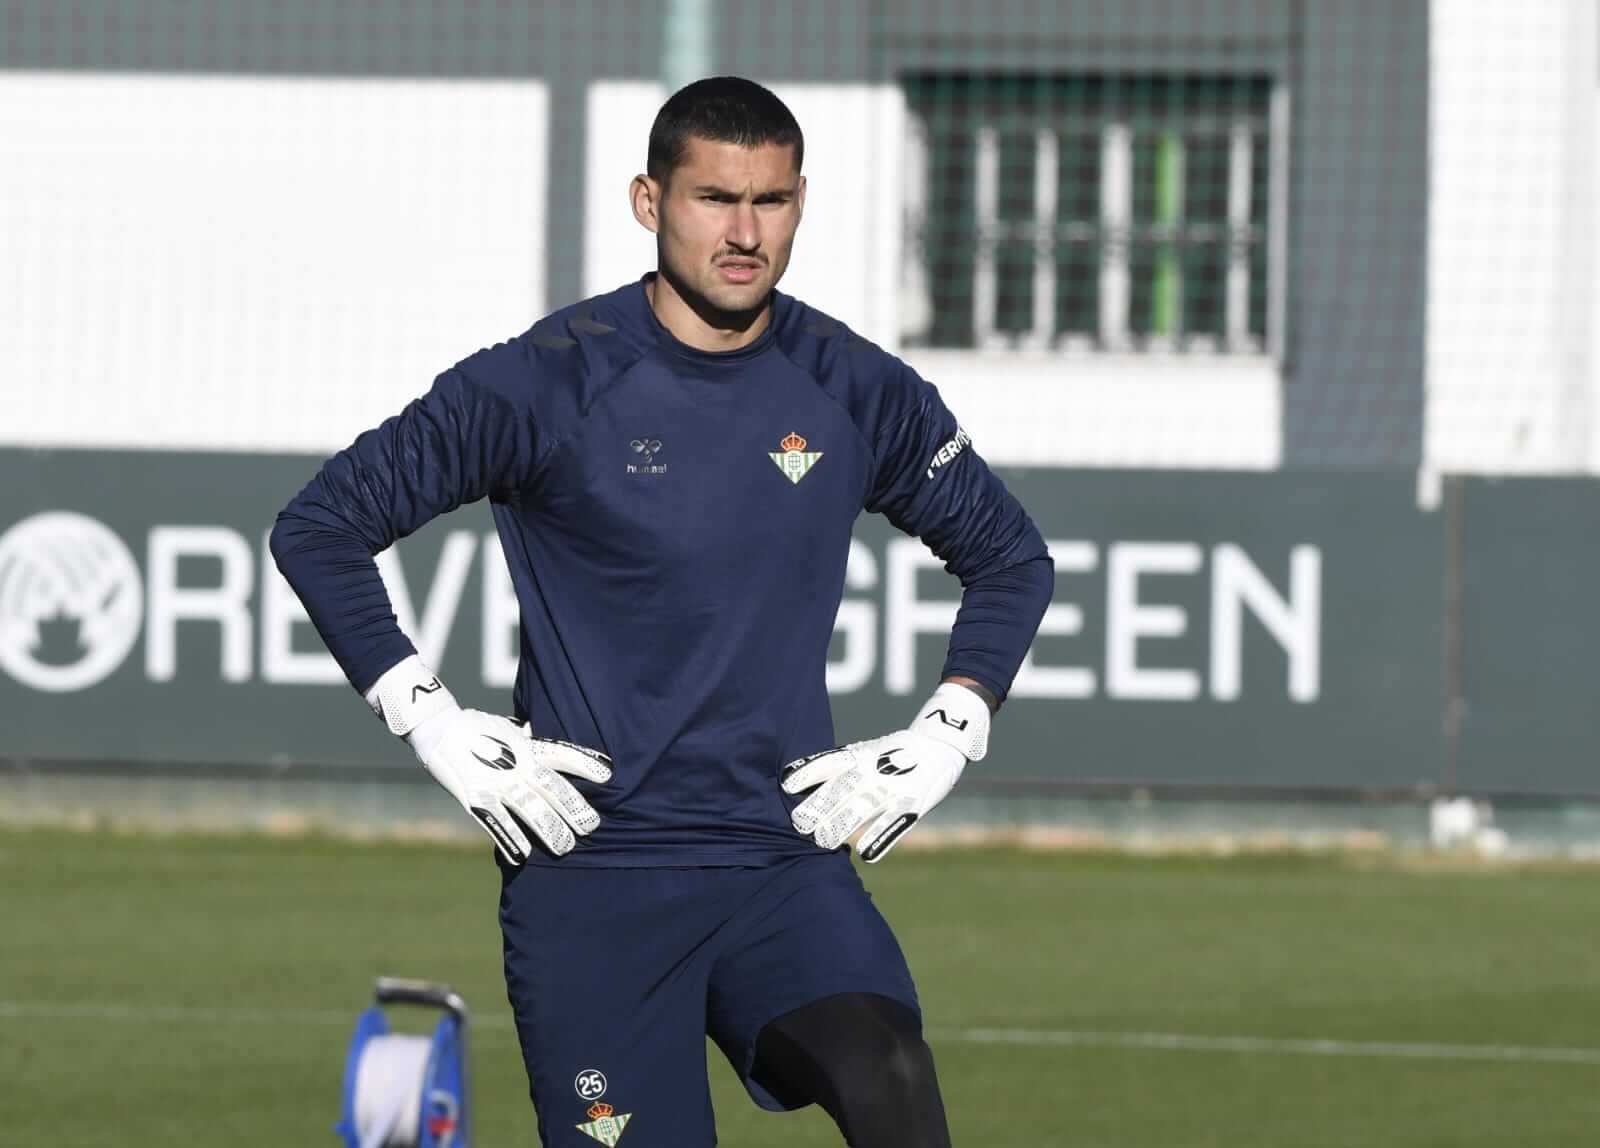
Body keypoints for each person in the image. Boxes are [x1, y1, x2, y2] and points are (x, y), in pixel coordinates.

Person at [272, 75, 1053, 1148]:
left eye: (770, 202)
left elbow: (1010, 555)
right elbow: (320, 526)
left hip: (777, 860)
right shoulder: (544, 383)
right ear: (649, 202)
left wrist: (950, 725)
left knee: (890, 1077)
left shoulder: (852, 387)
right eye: (713, 198)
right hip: (591, 878)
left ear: (800, 202)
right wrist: (430, 718)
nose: (744, 232)